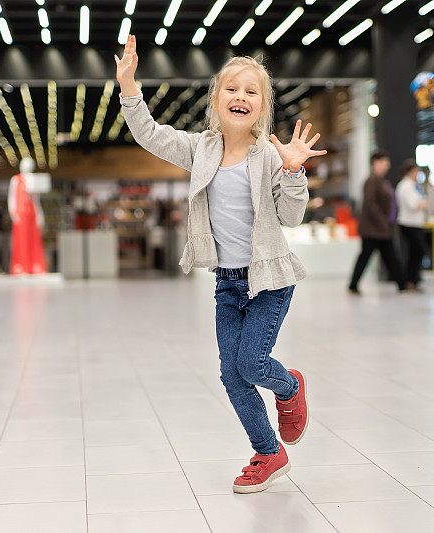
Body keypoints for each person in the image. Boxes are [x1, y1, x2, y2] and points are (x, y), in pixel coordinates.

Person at [116, 35, 327, 493]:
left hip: (270, 279)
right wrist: (129, 86)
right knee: (231, 375)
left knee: (252, 364)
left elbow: (292, 216)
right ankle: (269, 452)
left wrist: (293, 171)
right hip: (228, 284)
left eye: (252, 91)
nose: (241, 97)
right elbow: (150, 133)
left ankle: (289, 387)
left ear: (263, 105)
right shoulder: (201, 149)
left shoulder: (270, 154)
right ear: (215, 99)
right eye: (232, 89)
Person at [348, 150, 406, 295]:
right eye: (384, 162)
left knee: (386, 256)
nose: (387, 166)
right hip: (374, 229)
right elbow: (370, 203)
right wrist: (383, 221)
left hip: (379, 228)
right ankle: (401, 284)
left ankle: (402, 284)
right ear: (375, 163)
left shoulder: (380, 180)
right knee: (371, 256)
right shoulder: (372, 181)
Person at [396, 159, 428, 291]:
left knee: (416, 252)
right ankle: (410, 280)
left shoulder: (414, 186)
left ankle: (413, 280)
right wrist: (424, 202)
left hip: (416, 223)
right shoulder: (405, 186)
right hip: (409, 223)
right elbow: (413, 206)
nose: (417, 174)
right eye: (415, 172)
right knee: (417, 252)